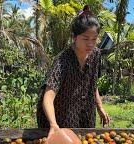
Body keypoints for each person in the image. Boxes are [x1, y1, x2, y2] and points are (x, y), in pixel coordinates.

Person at [36, 5, 111, 134]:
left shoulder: (96, 55)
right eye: (86, 39)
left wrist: (100, 107)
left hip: (84, 111)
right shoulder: (63, 61)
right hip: (61, 115)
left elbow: (92, 83)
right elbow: (48, 95)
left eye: (94, 39)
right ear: (74, 37)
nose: (91, 44)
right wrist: (53, 125)